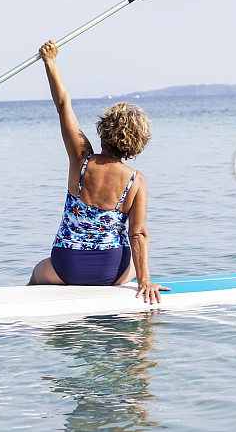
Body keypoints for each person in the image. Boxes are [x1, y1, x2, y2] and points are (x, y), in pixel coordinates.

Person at [28, 40, 170, 304]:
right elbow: (138, 233)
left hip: (66, 267)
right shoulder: (136, 180)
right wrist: (145, 281)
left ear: (104, 130)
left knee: (37, 274)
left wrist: (51, 62)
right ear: (138, 142)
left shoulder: (81, 160)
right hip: (113, 271)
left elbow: (63, 105)